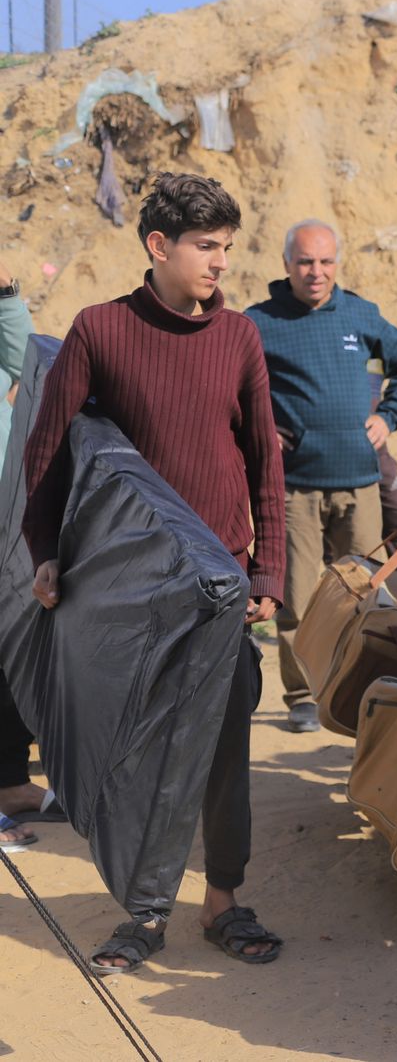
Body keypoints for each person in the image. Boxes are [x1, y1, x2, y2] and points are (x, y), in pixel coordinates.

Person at [22, 172, 287, 972]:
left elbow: (263, 461)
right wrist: (44, 553)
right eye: (206, 247)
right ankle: (142, 912)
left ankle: (224, 903)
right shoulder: (99, 331)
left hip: (224, 594)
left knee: (223, 757)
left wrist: (268, 568)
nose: (219, 264)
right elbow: (47, 456)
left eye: (226, 248)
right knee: (136, 754)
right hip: (133, 598)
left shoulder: (238, 336)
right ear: (158, 245)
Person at [245, 219, 397, 733]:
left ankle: (365, 688)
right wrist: (260, 430)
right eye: (305, 262)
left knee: (365, 596)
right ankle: (302, 696)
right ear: (286, 265)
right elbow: (228, 389)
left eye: (325, 262)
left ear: (336, 264)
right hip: (294, 488)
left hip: (359, 483)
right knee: (297, 598)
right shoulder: (259, 323)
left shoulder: (361, 314)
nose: (315, 272)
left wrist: (387, 416)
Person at [0, 257, 65, 853]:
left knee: (12, 653)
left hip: (5, 516)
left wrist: (5, 293)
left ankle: (12, 784)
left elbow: (29, 358)